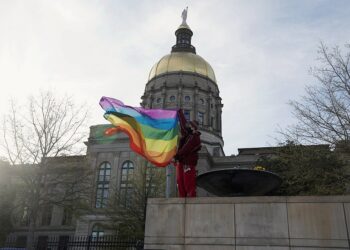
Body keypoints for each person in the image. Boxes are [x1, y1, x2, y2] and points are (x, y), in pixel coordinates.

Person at [174, 109, 201, 197]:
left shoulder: (195, 138)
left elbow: (187, 147)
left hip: (188, 163)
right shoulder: (187, 135)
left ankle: (190, 201)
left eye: (190, 126)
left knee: (188, 182)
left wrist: (178, 154)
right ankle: (182, 199)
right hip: (182, 162)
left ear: (193, 128)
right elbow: (183, 125)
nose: (188, 126)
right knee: (180, 182)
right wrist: (180, 113)